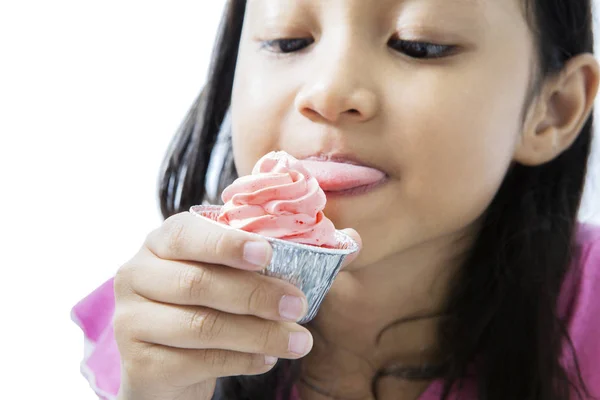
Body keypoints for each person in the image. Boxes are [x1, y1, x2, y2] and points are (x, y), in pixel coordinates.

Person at [71, 0, 600, 399]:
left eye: (418, 45)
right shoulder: (166, 314)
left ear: (552, 109)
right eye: (287, 42)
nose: (328, 92)